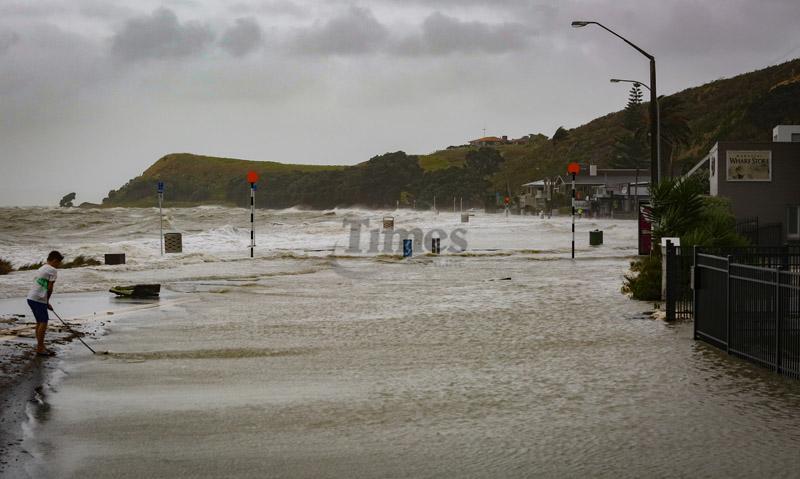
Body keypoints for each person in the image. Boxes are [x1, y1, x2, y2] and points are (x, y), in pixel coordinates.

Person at [26, 251, 63, 356]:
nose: (58, 265)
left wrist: (46, 302)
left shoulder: (42, 268)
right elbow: (50, 288)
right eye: (58, 263)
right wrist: (46, 302)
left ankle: (40, 346)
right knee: (43, 322)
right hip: (39, 298)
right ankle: (40, 348)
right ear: (55, 261)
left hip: (31, 297)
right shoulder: (53, 270)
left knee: (39, 322)